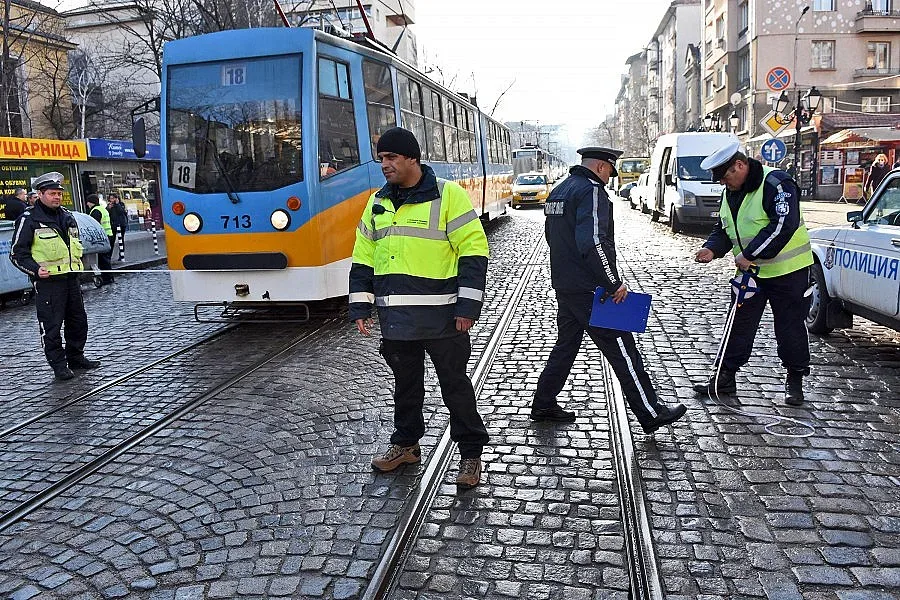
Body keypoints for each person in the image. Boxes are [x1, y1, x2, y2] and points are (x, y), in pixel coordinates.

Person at [349, 127, 490, 490]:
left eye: (392, 157)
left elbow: (474, 252)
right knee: (405, 388)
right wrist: (361, 307)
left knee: (454, 387)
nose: (385, 165)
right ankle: (406, 445)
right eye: (381, 158)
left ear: (412, 157)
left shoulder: (448, 195)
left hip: (443, 318)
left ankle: (471, 454)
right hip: (396, 319)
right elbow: (364, 255)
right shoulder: (377, 201)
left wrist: (467, 307)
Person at [531, 147, 687, 433]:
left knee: (565, 347)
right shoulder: (591, 191)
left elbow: (552, 237)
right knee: (623, 350)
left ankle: (543, 403)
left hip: (566, 286)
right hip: (591, 289)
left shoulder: (560, 190)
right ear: (603, 167)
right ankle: (651, 412)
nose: (607, 179)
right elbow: (593, 242)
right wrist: (613, 282)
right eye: (608, 172)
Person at [693, 140, 813, 405]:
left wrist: (749, 254)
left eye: (726, 177)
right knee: (738, 324)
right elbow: (725, 228)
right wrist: (711, 249)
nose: (724, 183)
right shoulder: (730, 192)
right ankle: (724, 378)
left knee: (790, 327)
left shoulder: (777, 184)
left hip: (788, 272)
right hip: (751, 274)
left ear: (740, 164)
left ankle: (795, 379)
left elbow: (784, 225)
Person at [9, 172, 101, 380]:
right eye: (52, 193)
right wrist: (35, 270)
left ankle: (76, 357)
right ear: (40, 194)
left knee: (78, 322)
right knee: (51, 326)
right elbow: (17, 254)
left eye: (59, 193)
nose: (57, 197)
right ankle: (59, 365)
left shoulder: (67, 215)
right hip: (48, 283)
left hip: (71, 280)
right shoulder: (29, 219)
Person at [85, 194, 114, 285]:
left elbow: (94, 225)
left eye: (88, 202)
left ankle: (107, 278)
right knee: (106, 259)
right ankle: (109, 277)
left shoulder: (95, 211)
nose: (87, 204)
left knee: (103, 260)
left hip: (102, 238)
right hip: (109, 235)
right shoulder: (103, 209)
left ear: (92, 202)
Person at [107, 192, 128, 261]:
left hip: (121, 225)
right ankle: (109, 256)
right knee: (111, 241)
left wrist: (117, 204)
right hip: (113, 225)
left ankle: (121, 255)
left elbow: (121, 212)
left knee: (121, 240)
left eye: (113, 198)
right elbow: (106, 214)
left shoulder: (121, 204)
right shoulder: (109, 206)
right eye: (110, 198)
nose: (111, 200)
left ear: (116, 198)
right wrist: (108, 208)